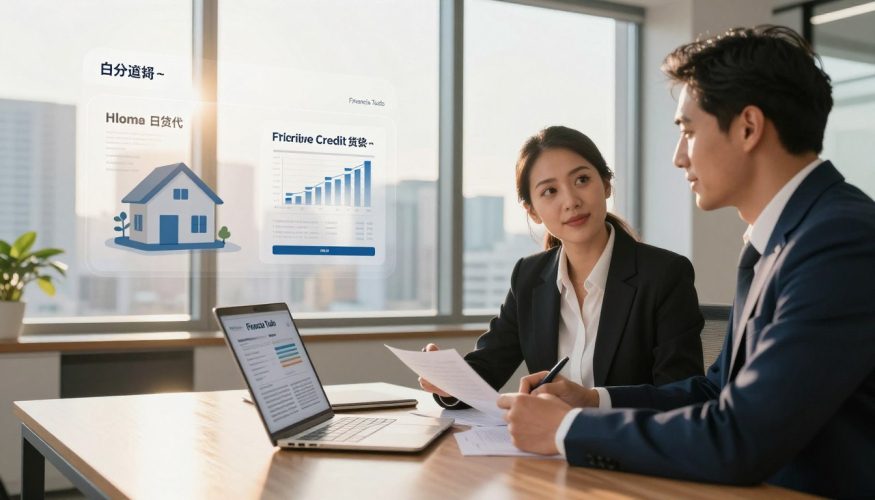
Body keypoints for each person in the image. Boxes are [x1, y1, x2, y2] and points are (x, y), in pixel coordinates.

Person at [496, 26, 875, 498]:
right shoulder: (779, 240)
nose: (679, 157)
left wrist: (567, 430)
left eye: (688, 131)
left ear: (748, 128)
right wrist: (592, 401)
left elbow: (741, 436)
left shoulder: (838, 241)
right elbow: (716, 391)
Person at [420, 125, 705, 409]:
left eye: (582, 179)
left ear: (606, 184)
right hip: (547, 448)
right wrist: (446, 379)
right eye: (550, 191)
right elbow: (486, 371)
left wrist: (596, 402)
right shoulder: (529, 278)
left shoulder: (664, 274)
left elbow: (683, 397)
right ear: (532, 211)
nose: (571, 201)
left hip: (626, 448)